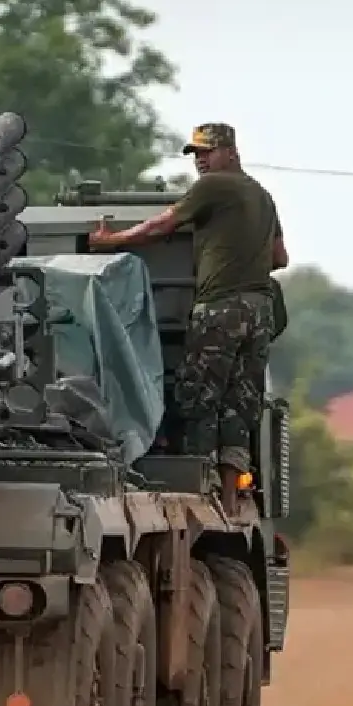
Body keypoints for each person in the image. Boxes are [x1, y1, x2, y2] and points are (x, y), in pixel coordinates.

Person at [87, 122, 286, 513]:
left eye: (208, 152)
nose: (201, 161)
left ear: (231, 152)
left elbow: (163, 224)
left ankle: (200, 493)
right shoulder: (262, 196)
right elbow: (280, 257)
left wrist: (111, 241)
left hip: (220, 307)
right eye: (196, 154)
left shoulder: (214, 186)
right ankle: (230, 497)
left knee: (199, 397)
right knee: (239, 403)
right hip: (259, 310)